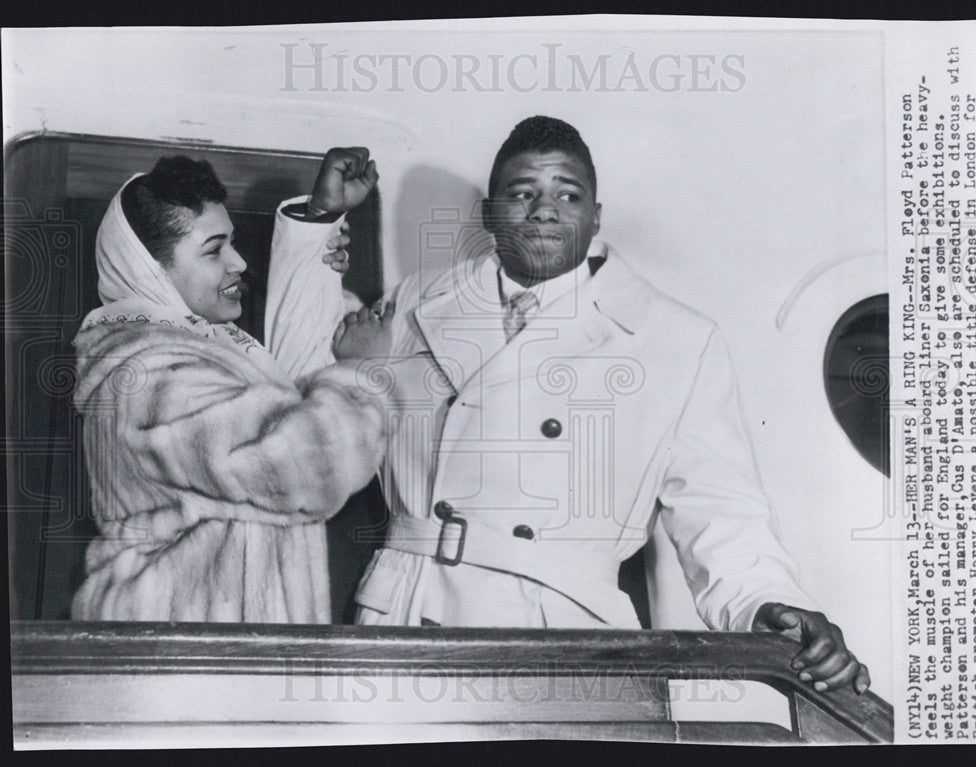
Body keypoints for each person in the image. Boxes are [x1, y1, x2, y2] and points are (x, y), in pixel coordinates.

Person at [271, 118, 870, 693]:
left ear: (595, 215)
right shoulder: (416, 302)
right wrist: (318, 222)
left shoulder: (675, 339)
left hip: (568, 636)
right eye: (522, 193)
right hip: (407, 613)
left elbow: (720, 512)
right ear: (488, 214)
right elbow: (299, 391)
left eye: (568, 194)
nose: (545, 210)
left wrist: (768, 605)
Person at [71, 150, 387, 623]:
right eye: (214, 249)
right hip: (178, 659)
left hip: (209, 647)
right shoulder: (143, 375)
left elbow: (289, 388)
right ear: (150, 272)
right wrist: (362, 372)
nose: (238, 261)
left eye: (232, 243)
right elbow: (304, 464)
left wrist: (318, 220)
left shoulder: (200, 349)